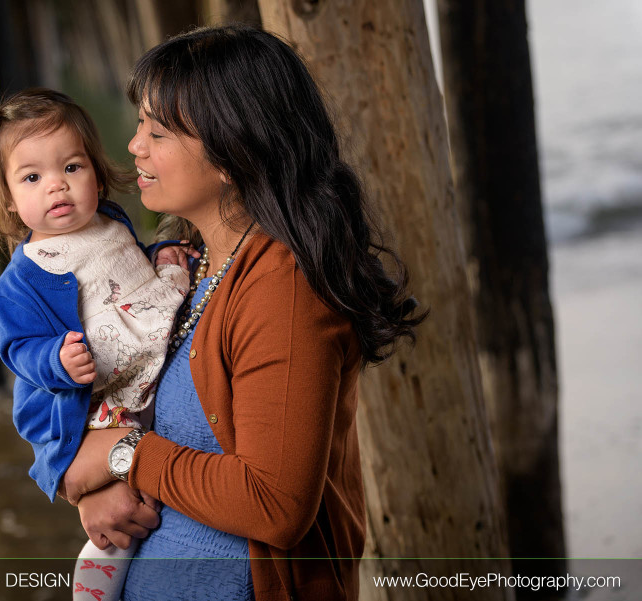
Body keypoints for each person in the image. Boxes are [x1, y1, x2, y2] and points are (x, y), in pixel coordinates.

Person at [57, 25, 427, 601]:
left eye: (158, 132)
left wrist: (124, 456)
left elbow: (274, 503)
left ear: (234, 153)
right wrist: (98, 487)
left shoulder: (284, 287)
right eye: (139, 126)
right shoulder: (194, 263)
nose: (135, 147)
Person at [0, 83, 194, 601]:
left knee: (165, 475)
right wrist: (58, 361)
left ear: (95, 168)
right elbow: (19, 351)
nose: (57, 187)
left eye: (72, 168)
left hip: (148, 364)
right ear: (7, 196)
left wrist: (159, 253)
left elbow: (124, 273)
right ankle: (99, 571)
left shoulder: (110, 221)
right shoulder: (23, 279)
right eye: (32, 176)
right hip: (104, 401)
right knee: (132, 499)